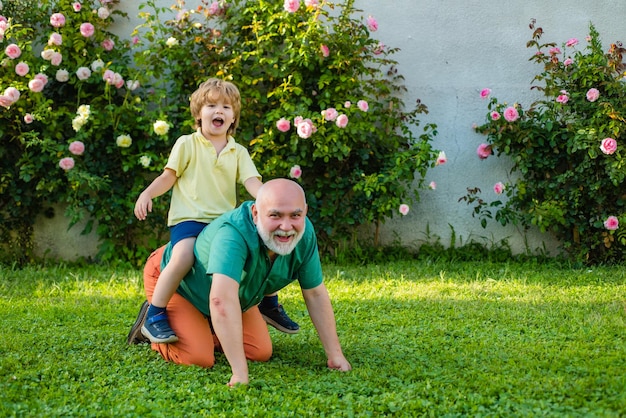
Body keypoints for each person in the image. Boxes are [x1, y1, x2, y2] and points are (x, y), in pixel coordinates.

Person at [128, 179, 351, 386]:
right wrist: (239, 373)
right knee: (198, 357)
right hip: (179, 283)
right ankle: (152, 320)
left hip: (234, 294)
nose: (286, 226)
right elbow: (221, 300)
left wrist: (335, 355)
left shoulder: (305, 234)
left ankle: (205, 327)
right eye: (275, 215)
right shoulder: (232, 234)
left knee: (260, 351)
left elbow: (315, 294)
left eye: (295, 215)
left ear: (305, 213)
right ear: (256, 213)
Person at [133, 78, 298, 344]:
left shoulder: (238, 151)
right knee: (184, 255)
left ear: (233, 118)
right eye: (211, 105)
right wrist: (147, 193)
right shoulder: (187, 143)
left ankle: (269, 303)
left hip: (224, 223)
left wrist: (273, 200)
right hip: (190, 219)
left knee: (264, 245)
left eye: (225, 107)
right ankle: (155, 313)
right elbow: (168, 176)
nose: (218, 111)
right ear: (199, 114)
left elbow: (253, 183)